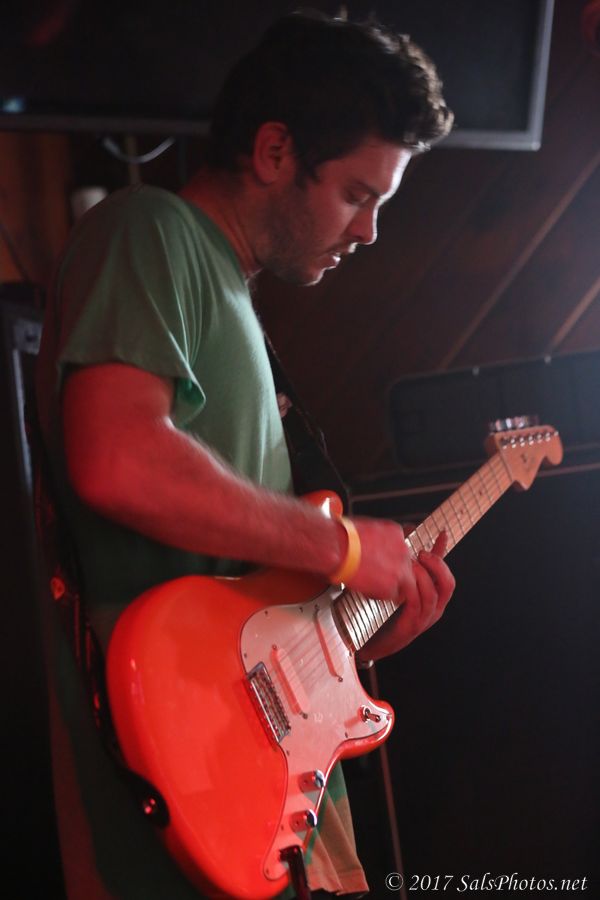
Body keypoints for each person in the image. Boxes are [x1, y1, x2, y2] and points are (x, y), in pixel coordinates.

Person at [35, 10, 455, 899]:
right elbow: (117, 458)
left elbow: (239, 587)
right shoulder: (150, 230)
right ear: (274, 151)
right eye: (358, 194)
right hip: (168, 773)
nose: (369, 231)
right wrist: (345, 547)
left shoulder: (230, 291)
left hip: (245, 776)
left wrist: (347, 640)